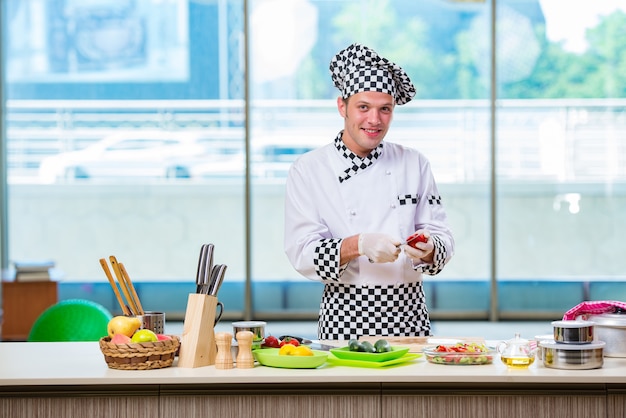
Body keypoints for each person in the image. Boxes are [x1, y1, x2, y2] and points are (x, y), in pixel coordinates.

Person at [284, 43, 454, 340]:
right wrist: (359, 244)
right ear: (342, 106)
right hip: (344, 320)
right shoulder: (308, 169)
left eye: (384, 109)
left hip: (409, 319)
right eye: (363, 107)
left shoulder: (414, 163)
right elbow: (302, 253)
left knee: (413, 389)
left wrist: (429, 249)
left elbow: (443, 237)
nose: (374, 120)